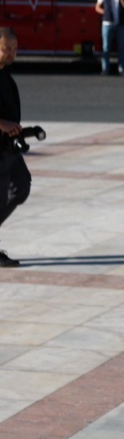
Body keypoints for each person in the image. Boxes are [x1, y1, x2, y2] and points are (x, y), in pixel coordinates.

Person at [0, 28, 28, 267]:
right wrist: (3, 124)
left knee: (21, 188)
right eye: (6, 49)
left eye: (14, 49)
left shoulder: (5, 75)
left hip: (9, 147)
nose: (11, 53)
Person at [95, 0, 124, 76]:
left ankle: (121, 68)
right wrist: (104, 12)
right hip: (107, 24)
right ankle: (105, 69)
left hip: (120, 24)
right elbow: (97, 7)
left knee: (121, 48)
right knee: (106, 47)